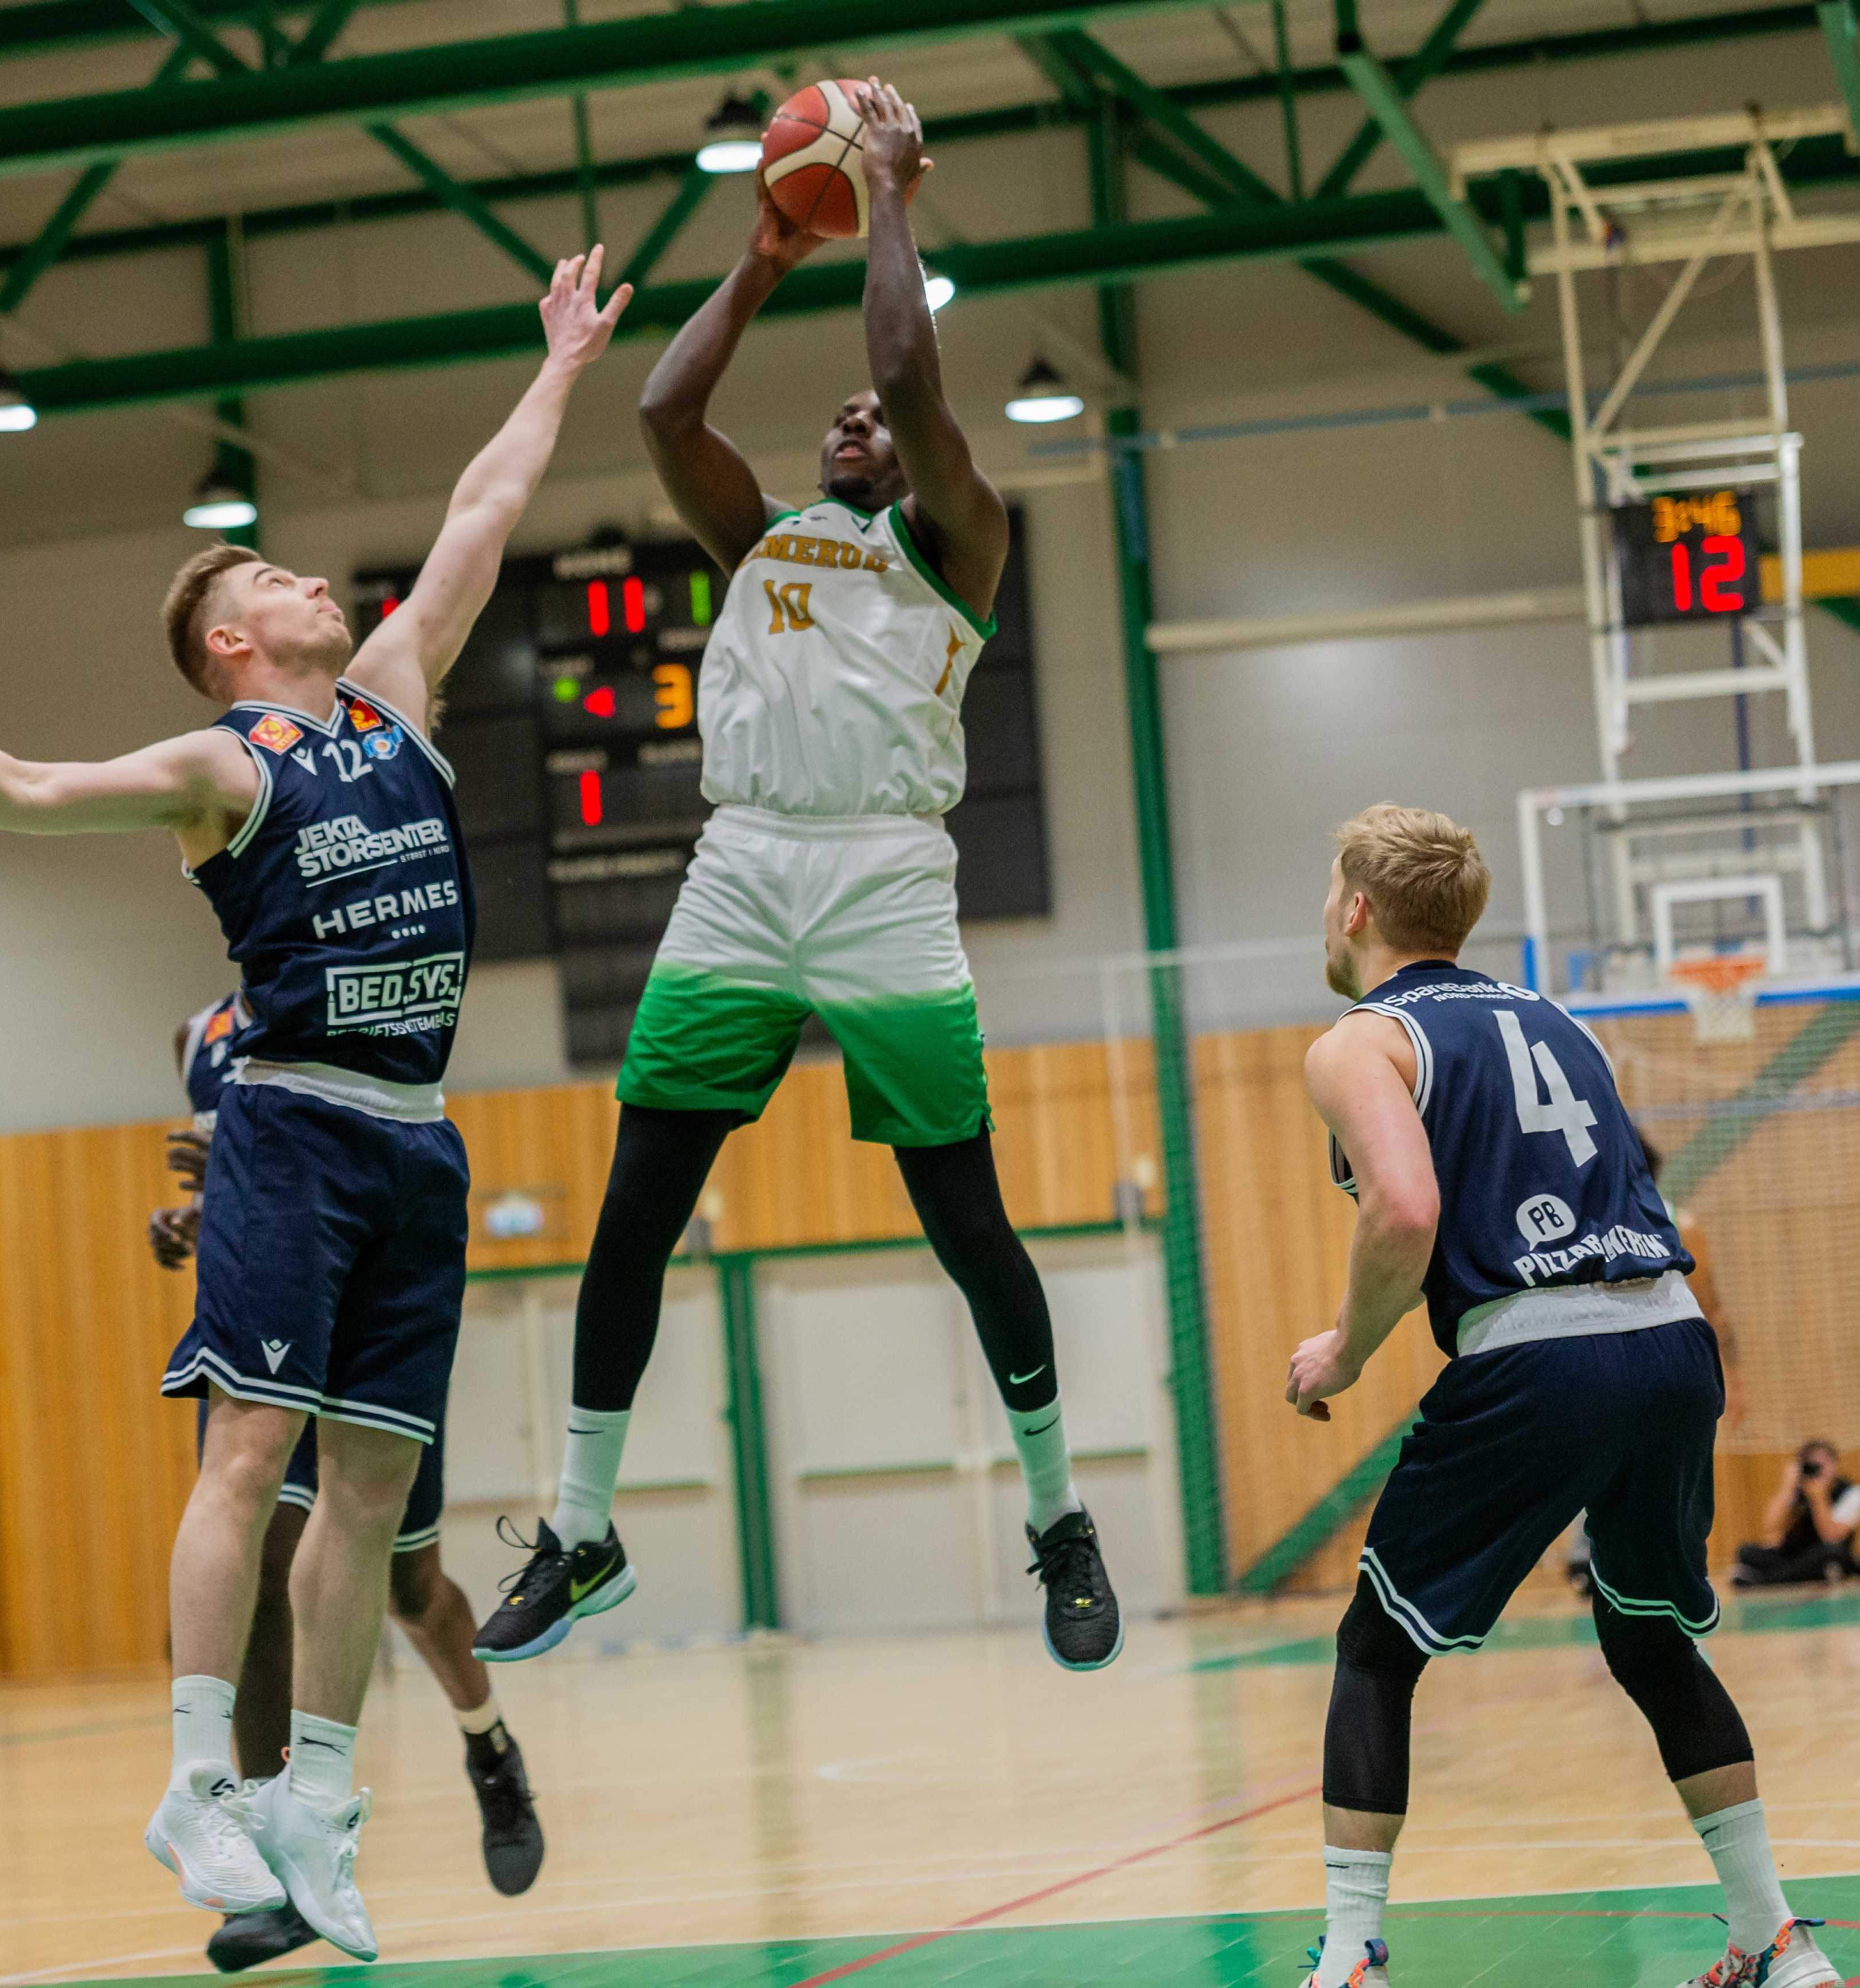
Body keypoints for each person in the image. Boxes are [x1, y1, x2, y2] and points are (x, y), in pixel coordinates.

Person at [0, 247, 629, 1962]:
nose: (327, 581)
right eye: (280, 577)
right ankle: (198, 1778)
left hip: (418, 1134)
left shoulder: (392, 705)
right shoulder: (223, 766)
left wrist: (557, 365)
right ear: (237, 641)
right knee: (250, 1450)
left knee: (376, 1495)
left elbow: (482, 509)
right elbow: (36, 788)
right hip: (296, 1125)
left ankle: (314, 1806)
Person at [472, 81, 1120, 1675]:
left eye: (877, 420)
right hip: (743, 871)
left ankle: (1059, 1522)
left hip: (888, 879)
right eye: (834, 414)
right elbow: (660, 419)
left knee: (966, 1224)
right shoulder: (757, 538)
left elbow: (908, 362)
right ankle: (585, 1525)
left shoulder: (956, 542)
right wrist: (761, 257)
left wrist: (889, 189)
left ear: (924, 454)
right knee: (632, 1216)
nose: (855, 416)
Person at [1287, 804, 1837, 1988]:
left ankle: (1347, 1958)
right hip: (1668, 1340)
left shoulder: (1356, 1043)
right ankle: (1775, 1941)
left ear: (1356, 909)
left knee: (1376, 1649)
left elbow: (1405, 1211)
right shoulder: (1560, 1020)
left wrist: (1342, 1348)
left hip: (1540, 1354)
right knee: (1647, 1640)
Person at [152, 995, 545, 1972]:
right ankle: (266, 1851)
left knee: (413, 1588)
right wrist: (197, 1214)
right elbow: (251, 1183)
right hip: (267, 1307)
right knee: (257, 1585)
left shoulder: (369, 987)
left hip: (367, 1307)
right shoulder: (198, 1035)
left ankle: (488, 1746)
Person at [1562, 1123, 1740, 1596]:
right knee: (1646, 1483)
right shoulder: (1669, 1224)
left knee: (1624, 1479)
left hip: (1622, 1369)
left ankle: (1618, 1570)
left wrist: (1735, 1382)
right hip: (1664, 1371)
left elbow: (1714, 1314)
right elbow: (1715, 1316)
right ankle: (1620, 1569)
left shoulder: (1588, 1225)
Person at [1733, 1440, 1860, 1588]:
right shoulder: (1797, 1489)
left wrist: (1819, 1498)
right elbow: (1770, 1525)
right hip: (1797, 1555)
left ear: (1835, 1465)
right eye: (1811, 1465)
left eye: (1823, 1464)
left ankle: (1763, 1581)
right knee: (1746, 1551)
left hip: (1825, 1554)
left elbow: (1832, 1537)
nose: (1818, 1470)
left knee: (1832, 1553)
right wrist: (1787, 1487)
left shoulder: (1851, 1492)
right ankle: (1787, 1576)